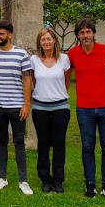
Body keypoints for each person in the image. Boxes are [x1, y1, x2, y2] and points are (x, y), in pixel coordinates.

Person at [67, 18, 105, 199]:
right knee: (87, 146)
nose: (85, 35)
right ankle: (90, 184)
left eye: (88, 32)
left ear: (94, 33)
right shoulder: (72, 54)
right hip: (84, 108)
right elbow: (65, 75)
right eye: (82, 32)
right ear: (78, 36)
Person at [0, 21, 34, 195]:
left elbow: (27, 79)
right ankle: (2, 178)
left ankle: (23, 181)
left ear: (10, 34)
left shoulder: (21, 54)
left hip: (17, 105)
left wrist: (26, 103)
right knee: (1, 141)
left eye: (2, 34)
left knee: (19, 142)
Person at [30, 28, 71, 193]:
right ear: (39, 43)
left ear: (54, 40)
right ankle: (45, 178)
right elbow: (33, 80)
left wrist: (57, 94)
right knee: (44, 143)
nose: (46, 42)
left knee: (59, 144)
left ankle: (58, 179)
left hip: (61, 107)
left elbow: (66, 81)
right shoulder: (34, 60)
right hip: (40, 107)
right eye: (43, 40)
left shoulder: (64, 59)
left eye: (49, 39)